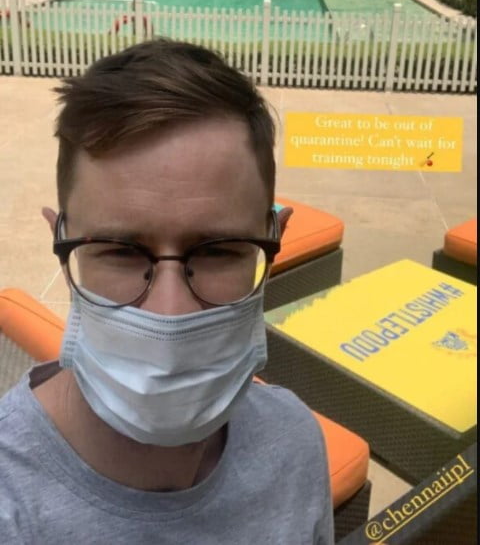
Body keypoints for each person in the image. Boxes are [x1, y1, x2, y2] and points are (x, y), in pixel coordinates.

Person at [0, 39, 334, 544]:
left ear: (274, 241)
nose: (170, 313)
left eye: (219, 251)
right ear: (60, 245)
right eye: (120, 251)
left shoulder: (295, 443)